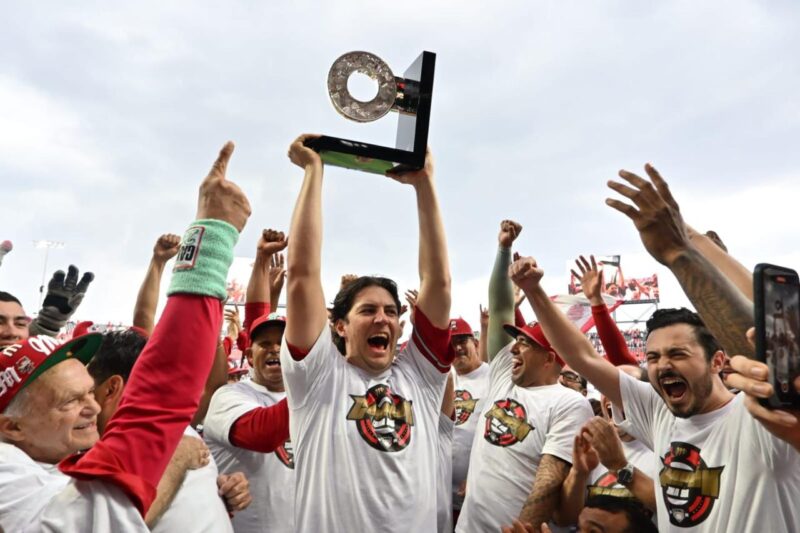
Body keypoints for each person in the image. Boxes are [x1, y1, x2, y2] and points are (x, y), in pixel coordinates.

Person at [0, 141, 251, 531]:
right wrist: (175, 462)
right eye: (71, 400)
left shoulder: (69, 448)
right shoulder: (10, 476)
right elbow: (158, 401)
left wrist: (203, 496)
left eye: (88, 391)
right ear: (11, 428)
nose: (95, 407)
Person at [512, 245, 800, 531]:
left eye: (677, 354)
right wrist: (534, 291)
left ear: (717, 362)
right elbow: (583, 357)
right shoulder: (659, 411)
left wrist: (690, 245)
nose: (662, 365)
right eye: (653, 357)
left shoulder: (758, 416)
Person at [281, 135, 454, 532]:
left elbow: (438, 283)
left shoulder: (422, 380)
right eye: (368, 311)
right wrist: (313, 171)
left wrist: (424, 184)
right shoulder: (317, 378)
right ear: (339, 326)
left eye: (392, 312)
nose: (383, 320)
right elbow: (302, 277)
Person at [458, 220, 593, 532]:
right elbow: (500, 306)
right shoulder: (504, 375)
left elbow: (551, 477)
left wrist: (526, 527)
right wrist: (503, 250)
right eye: (515, 342)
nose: (514, 350)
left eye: (525, 344)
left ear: (550, 358)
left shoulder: (570, 403)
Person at [88, 330, 252, 532]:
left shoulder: (179, 430)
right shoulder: (84, 450)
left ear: (111, 388)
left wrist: (222, 492)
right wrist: (178, 461)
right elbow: (117, 523)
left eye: (86, 389)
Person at [204, 229, 296, 533]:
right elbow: (263, 434)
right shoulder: (229, 397)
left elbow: (259, 318)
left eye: (282, 343)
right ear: (247, 353)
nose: (274, 348)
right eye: (264, 344)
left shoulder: (301, 396)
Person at [449, 316, 490, 519]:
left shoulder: (493, 378)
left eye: (461, 341)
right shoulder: (444, 379)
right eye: (451, 343)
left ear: (475, 343)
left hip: (478, 496)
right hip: (443, 496)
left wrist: (477, 475)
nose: (457, 348)